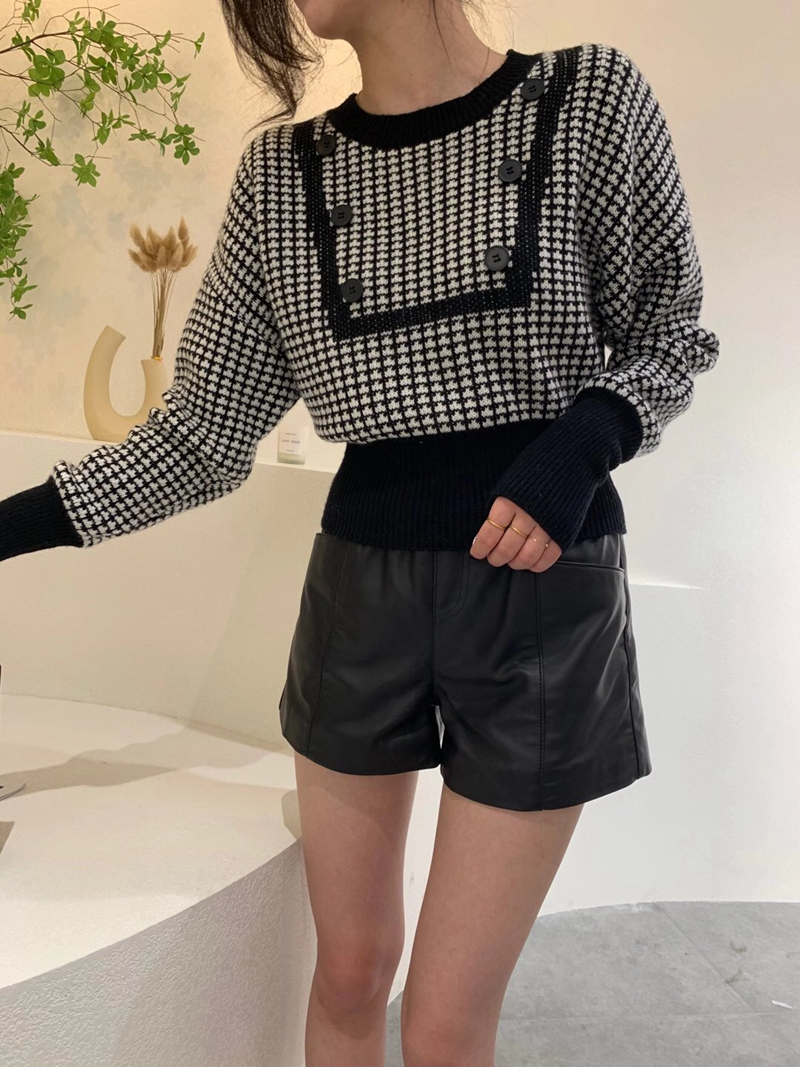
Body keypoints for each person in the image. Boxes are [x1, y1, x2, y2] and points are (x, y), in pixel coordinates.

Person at [0, 1, 720, 1064]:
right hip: (360, 587)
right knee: (345, 973)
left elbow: (668, 330)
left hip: (537, 586)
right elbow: (198, 438)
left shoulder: (586, 99)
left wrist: (580, 445)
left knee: (443, 1021)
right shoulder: (281, 177)